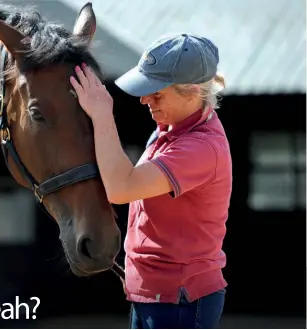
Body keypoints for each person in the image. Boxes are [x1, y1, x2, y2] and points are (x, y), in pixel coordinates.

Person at [69, 32, 231, 329]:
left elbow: (122, 188)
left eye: (157, 93)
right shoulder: (168, 130)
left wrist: (102, 115)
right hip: (158, 294)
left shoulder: (200, 148)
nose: (144, 100)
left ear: (193, 92)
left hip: (180, 300)